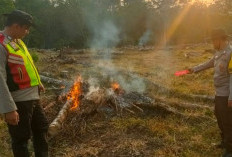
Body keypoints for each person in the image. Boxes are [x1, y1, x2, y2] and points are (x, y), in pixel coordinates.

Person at [0, 10, 48, 157]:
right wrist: (8, 109)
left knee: (42, 129)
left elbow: (27, 64)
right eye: (26, 28)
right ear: (15, 26)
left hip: (33, 98)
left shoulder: (17, 42)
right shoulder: (1, 45)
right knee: (21, 139)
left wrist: (37, 82)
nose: (27, 32)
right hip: (19, 102)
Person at [189, 28, 232, 157]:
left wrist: (231, 97)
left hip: (226, 94)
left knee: (227, 121)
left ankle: (230, 149)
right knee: (219, 116)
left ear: (220, 39)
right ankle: (224, 141)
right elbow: (209, 63)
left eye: (213, 40)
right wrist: (194, 69)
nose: (212, 43)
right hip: (219, 93)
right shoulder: (219, 52)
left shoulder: (231, 53)